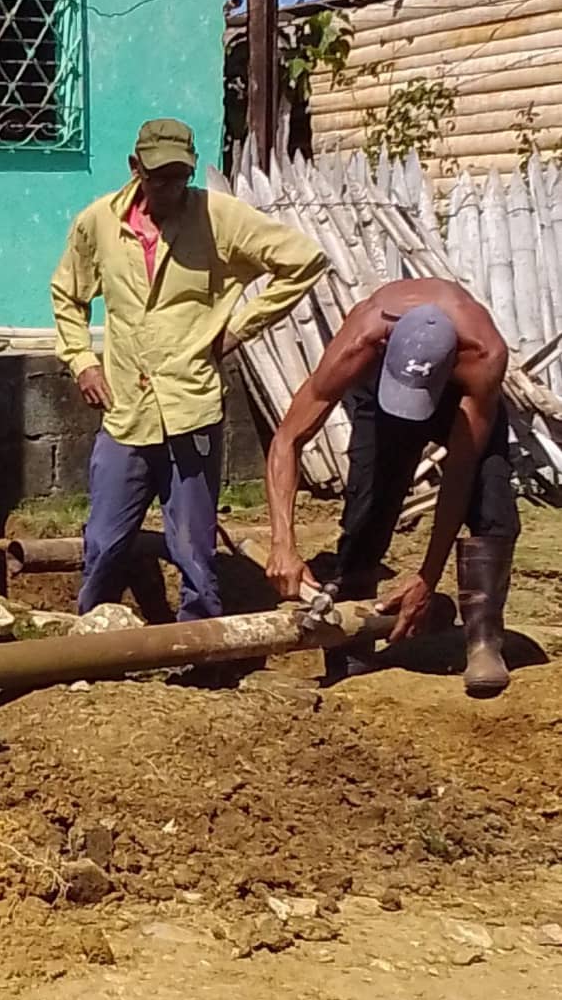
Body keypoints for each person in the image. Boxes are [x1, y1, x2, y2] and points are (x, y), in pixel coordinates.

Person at [51, 118, 327, 622]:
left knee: (193, 548)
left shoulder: (219, 218)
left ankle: (199, 642)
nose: (170, 188)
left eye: (180, 177)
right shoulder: (99, 224)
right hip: (127, 413)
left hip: (191, 408)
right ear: (135, 169)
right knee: (105, 538)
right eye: (159, 177)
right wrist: (82, 361)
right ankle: (91, 633)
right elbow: (67, 294)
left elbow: (304, 260)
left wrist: (239, 328)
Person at [264, 277, 518, 697]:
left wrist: (427, 577)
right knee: (367, 505)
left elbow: (459, 473)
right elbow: (287, 439)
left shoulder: (483, 355)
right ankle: (350, 641)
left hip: (462, 397)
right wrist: (282, 545)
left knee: (492, 503)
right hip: (380, 392)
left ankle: (484, 642)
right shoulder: (359, 341)